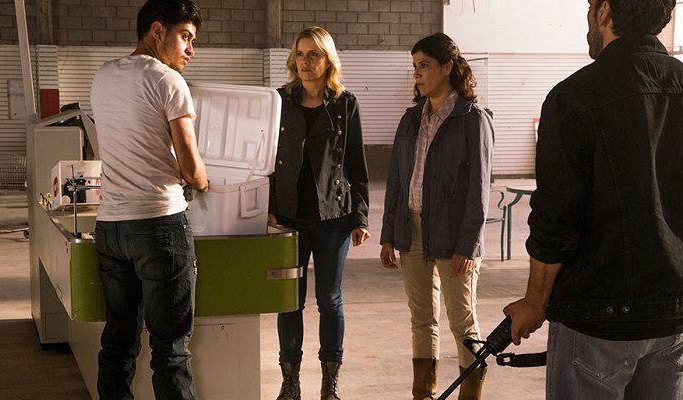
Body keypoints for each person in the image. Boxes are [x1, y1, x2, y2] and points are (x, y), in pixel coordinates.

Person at [503, 0, 683, 399]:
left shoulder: (574, 96)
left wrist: (535, 302)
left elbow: (555, 219)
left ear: (604, 11)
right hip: (673, 318)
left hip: (596, 319)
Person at [89, 0, 209, 398]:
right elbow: (191, 169)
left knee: (117, 345)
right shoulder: (167, 81)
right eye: (186, 37)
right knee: (170, 352)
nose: (190, 50)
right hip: (159, 226)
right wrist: (205, 180)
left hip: (111, 227)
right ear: (158, 31)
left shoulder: (103, 76)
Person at [380, 33, 494, 400]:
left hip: (453, 234)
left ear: (447, 67)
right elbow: (397, 181)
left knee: (462, 322)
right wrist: (388, 234)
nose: (417, 73)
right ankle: (423, 394)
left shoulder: (472, 119)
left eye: (424, 65)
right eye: (415, 66)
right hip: (411, 232)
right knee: (421, 320)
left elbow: (479, 189)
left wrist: (468, 245)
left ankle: (470, 395)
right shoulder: (411, 119)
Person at [268, 26, 371, 400]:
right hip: (288, 219)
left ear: (328, 60)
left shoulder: (345, 104)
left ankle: (330, 382)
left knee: (329, 300)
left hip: (334, 219)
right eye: (300, 53)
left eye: (314, 54)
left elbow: (357, 166)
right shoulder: (279, 101)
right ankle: (290, 382)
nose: (305, 61)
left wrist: (360, 217)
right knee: (289, 302)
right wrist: (268, 209)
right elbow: (265, 161)